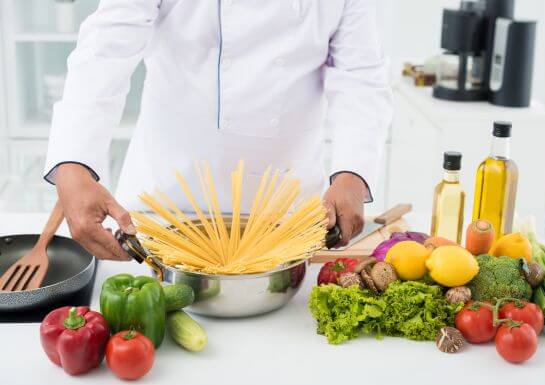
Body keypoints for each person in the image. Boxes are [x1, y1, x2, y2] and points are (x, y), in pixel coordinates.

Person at [44, 0, 393, 261]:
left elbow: (361, 77)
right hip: (165, 207)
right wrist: (73, 164)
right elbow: (104, 50)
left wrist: (352, 174)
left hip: (287, 218)